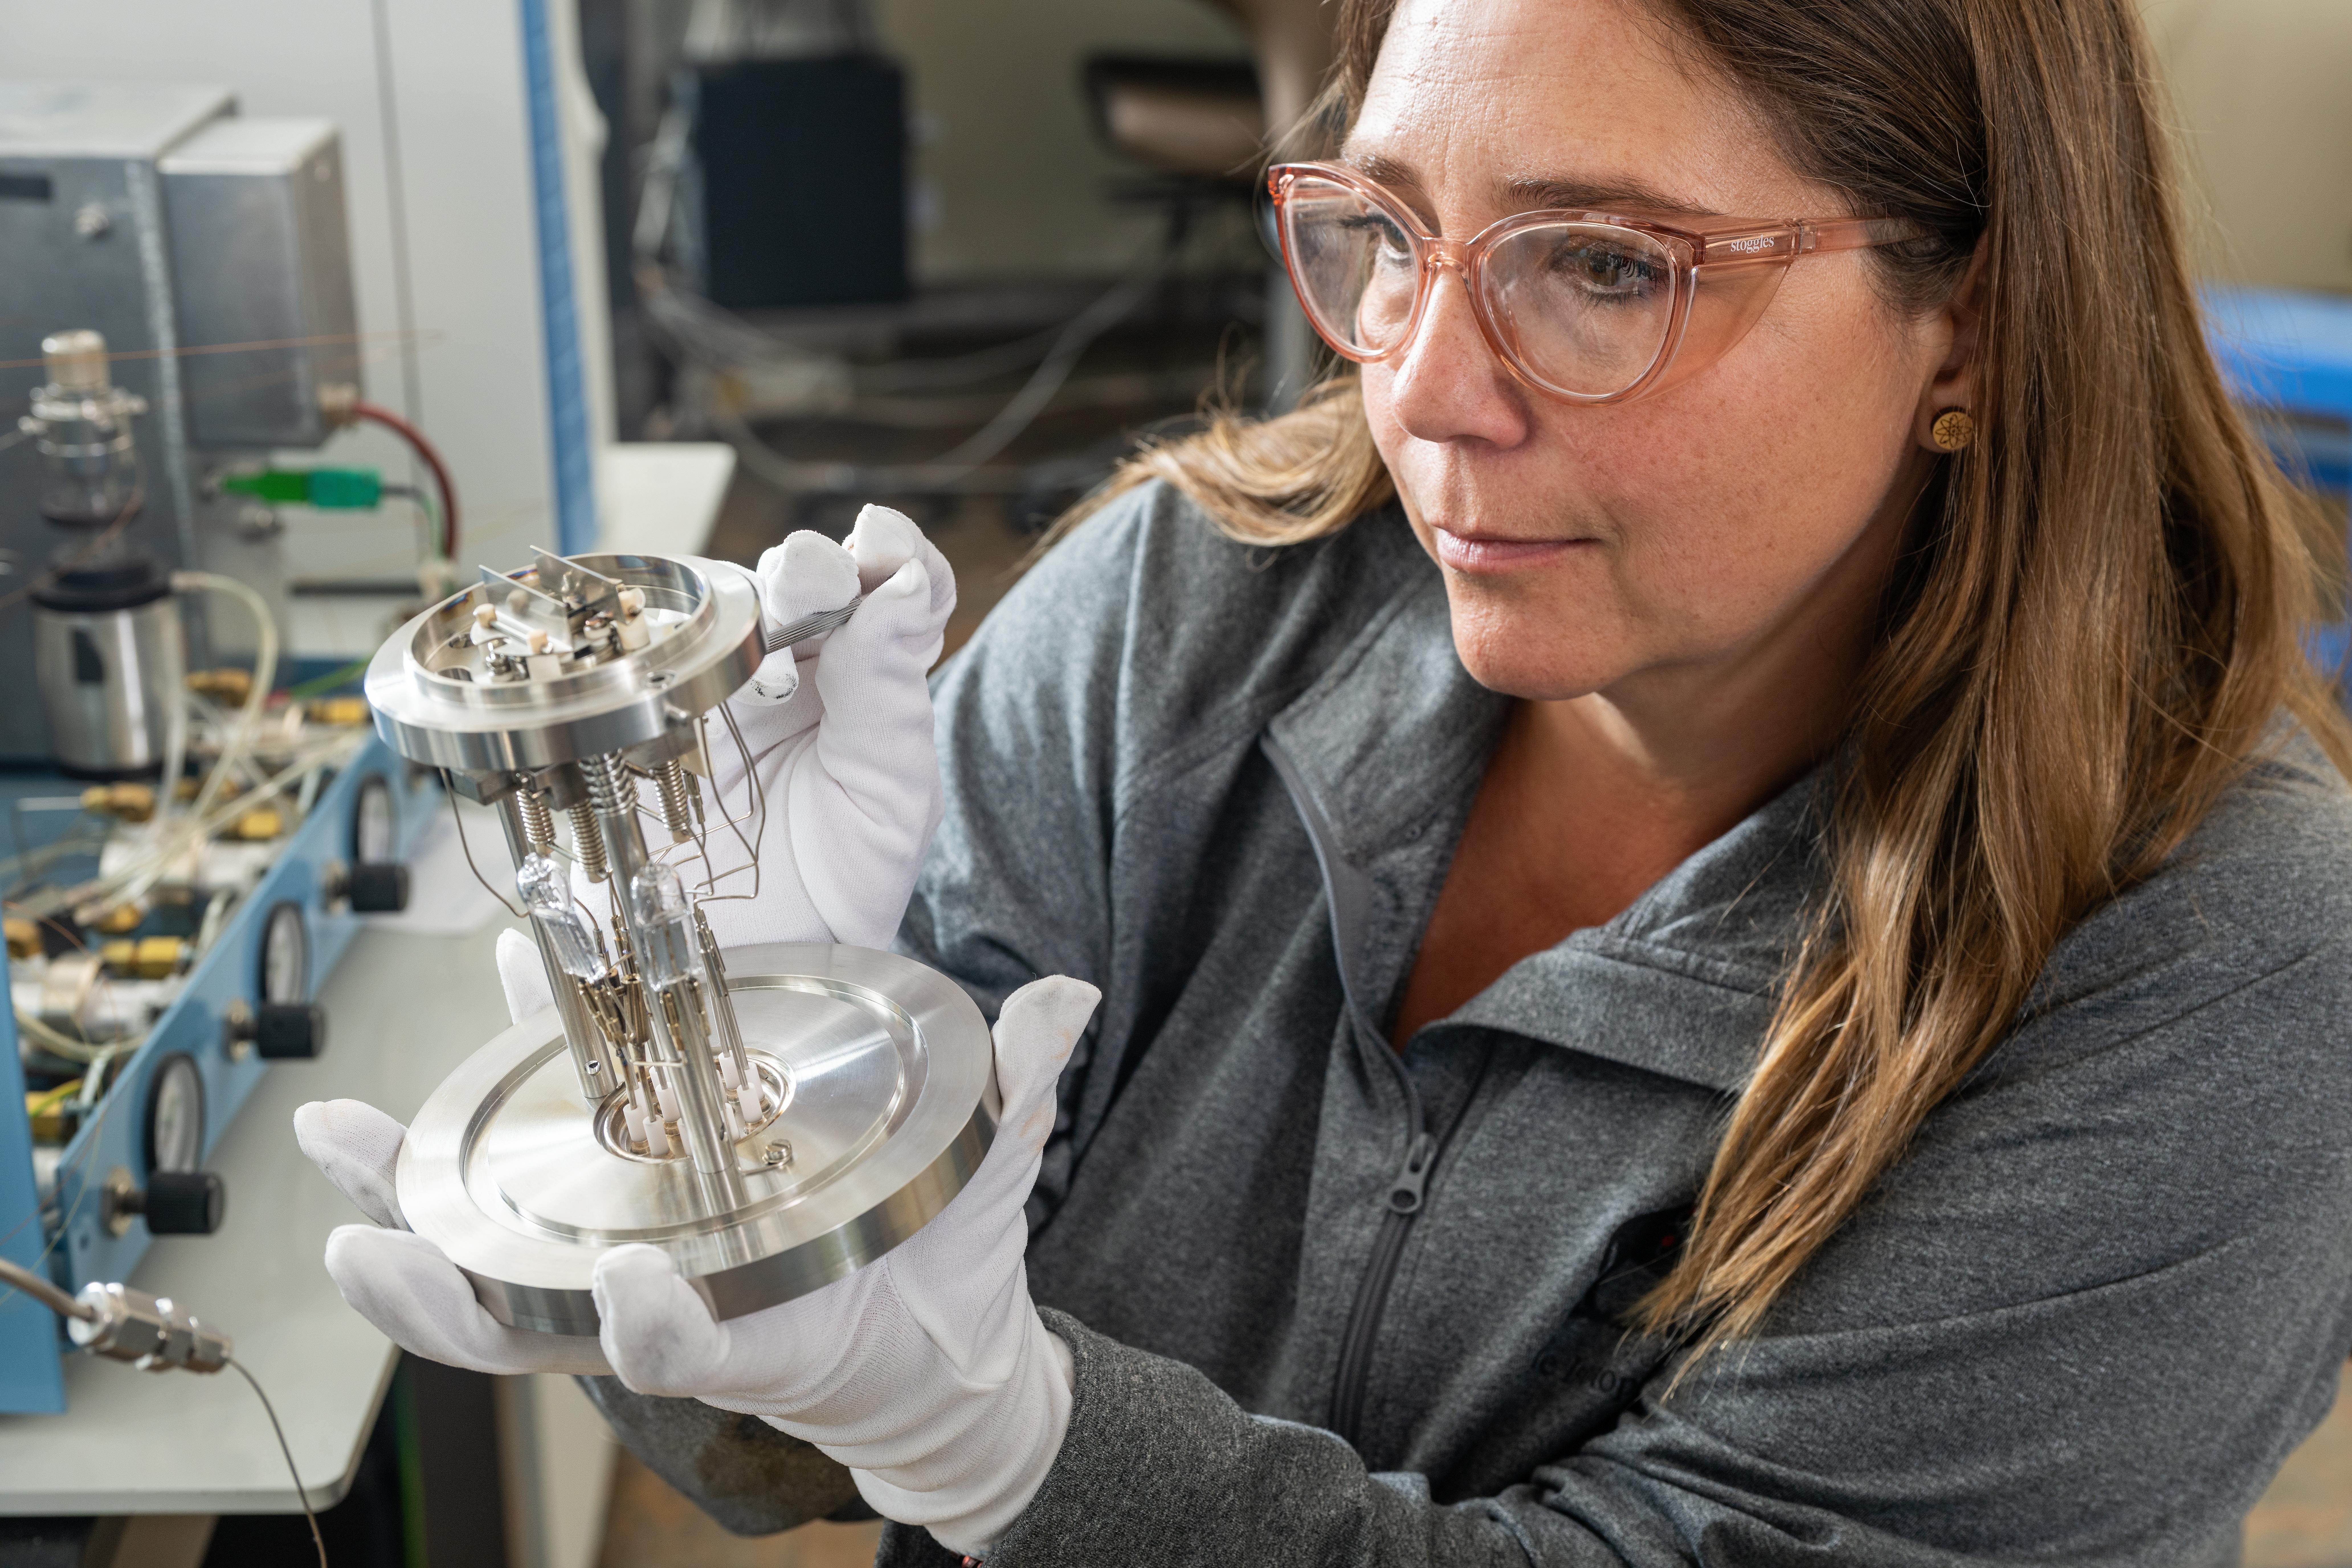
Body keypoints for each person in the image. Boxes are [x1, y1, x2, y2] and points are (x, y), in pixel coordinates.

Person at [297, 0, 2352, 1561]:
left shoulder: (2230, 968)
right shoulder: (1189, 606)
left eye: (1605, 266)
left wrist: (1017, 1444)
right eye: (1386, 231)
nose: (1422, 391)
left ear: (1973, 323)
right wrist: (733, 1150)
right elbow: (753, 1442)